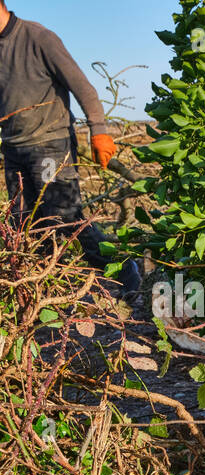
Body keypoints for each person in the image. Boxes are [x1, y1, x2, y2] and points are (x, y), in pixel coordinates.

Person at [0, 2, 139, 292]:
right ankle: (38, 296)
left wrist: (98, 132)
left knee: (64, 216)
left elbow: (84, 89)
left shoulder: (38, 38)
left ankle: (124, 270)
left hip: (50, 145)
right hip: (13, 150)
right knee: (22, 226)